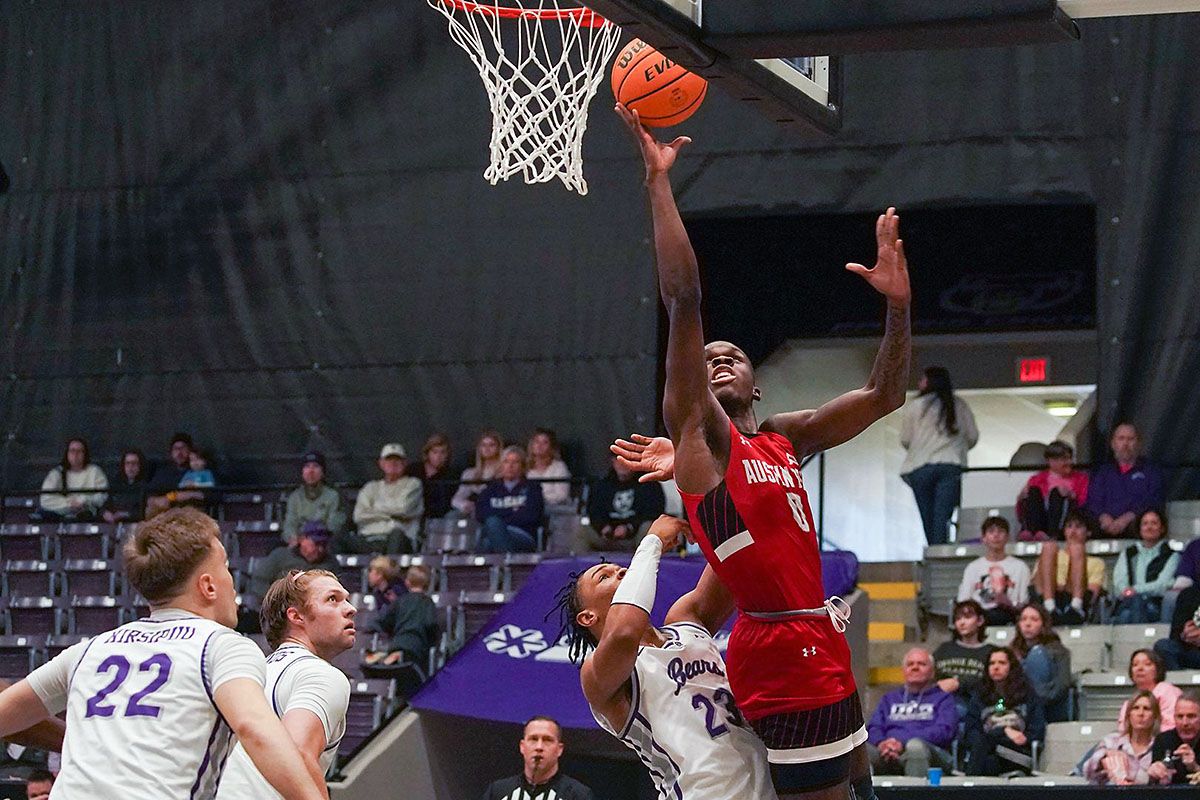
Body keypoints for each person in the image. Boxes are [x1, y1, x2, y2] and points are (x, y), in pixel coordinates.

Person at [615, 102, 911, 800]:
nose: (717, 361)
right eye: (708, 359)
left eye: (733, 355)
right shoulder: (701, 433)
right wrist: (658, 182)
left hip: (822, 638)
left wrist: (899, 308)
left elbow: (884, 395)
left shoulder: (784, 438)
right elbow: (684, 299)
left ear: (756, 378)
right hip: (778, 652)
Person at [0, 507, 328, 800]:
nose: (232, 580)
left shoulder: (90, 649)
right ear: (208, 586)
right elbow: (256, 729)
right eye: (226, 567)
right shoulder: (223, 646)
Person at [557, 514, 775, 799]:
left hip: (771, 785)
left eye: (620, 569)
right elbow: (624, 632)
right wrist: (652, 542)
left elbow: (735, 557)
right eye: (605, 577)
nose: (622, 572)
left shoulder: (686, 620)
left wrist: (708, 488)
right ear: (588, 617)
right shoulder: (597, 676)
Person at [216, 569, 355, 800]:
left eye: (346, 599)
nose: (351, 608)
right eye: (333, 599)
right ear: (296, 616)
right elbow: (298, 753)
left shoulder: (250, 672)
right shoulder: (321, 674)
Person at [899, 366, 978, 546]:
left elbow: (905, 439)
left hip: (920, 468)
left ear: (928, 382)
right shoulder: (959, 405)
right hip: (950, 465)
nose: (919, 383)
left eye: (922, 379)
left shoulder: (915, 406)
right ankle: (941, 553)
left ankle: (933, 553)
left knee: (928, 518)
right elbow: (972, 436)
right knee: (942, 516)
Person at [866, 648, 957, 778]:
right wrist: (883, 744)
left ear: (932, 672)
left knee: (915, 747)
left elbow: (944, 731)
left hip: (930, 752)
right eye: (910, 664)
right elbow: (874, 727)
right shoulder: (889, 698)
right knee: (860, 750)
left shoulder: (943, 698)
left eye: (921, 664)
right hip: (888, 751)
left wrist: (902, 742)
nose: (915, 667)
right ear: (903, 671)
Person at [963, 647, 1046, 776]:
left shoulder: (1027, 695)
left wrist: (1026, 738)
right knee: (990, 762)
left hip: (1018, 753)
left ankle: (966, 787)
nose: (996, 667)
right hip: (987, 752)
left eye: (1002, 663)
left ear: (1011, 667)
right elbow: (971, 730)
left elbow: (1038, 729)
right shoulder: (980, 696)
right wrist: (1004, 731)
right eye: (992, 663)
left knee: (984, 746)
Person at [479, 717, 594, 800]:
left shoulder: (577, 795)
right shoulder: (498, 792)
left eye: (547, 740)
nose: (539, 747)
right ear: (522, 747)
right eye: (533, 739)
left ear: (559, 749)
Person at [1086, 422, 1165, 539]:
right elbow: (1093, 500)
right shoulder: (1103, 472)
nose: (1125, 444)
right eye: (1121, 439)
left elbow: (1153, 501)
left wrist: (1128, 517)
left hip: (1135, 526)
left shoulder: (1151, 471)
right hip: (1103, 526)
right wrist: (1103, 517)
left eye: (1130, 439)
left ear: (1138, 443)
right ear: (1113, 444)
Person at [578, 452, 667, 553]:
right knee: (581, 528)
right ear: (613, 462)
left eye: (627, 460)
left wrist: (629, 527)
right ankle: (579, 566)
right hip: (608, 536)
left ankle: (644, 564)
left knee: (648, 528)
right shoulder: (601, 485)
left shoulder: (649, 485)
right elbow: (594, 511)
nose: (622, 464)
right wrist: (602, 527)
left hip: (636, 535)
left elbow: (653, 513)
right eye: (618, 460)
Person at [1031, 508, 1106, 624]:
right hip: (1047, 596)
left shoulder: (1096, 562)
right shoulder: (1049, 556)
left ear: (1088, 532)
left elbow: (1092, 592)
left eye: (1078, 526)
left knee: (1077, 549)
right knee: (1048, 547)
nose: (1073, 531)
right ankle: (1049, 606)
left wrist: (1063, 586)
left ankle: (1076, 607)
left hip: (1073, 597)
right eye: (1069, 526)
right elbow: (1036, 584)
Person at [956, 516, 1029, 625]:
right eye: (991, 532)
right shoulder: (973, 567)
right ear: (983, 538)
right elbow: (963, 600)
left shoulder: (1020, 567)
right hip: (979, 616)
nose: (996, 535)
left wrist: (1008, 603)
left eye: (1001, 531)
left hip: (1009, 615)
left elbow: (1024, 603)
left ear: (1007, 537)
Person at [365, 565, 438, 672]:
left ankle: (389, 657)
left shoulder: (400, 601)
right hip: (416, 646)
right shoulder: (428, 603)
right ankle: (395, 657)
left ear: (407, 582)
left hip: (397, 643)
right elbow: (430, 624)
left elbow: (384, 621)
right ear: (427, 584)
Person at [353, 443, 424, 554]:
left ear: (404, 463)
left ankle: (389, 570)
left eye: (397, 460)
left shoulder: (413, 484)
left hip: (399, 539)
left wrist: (375, 508)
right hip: (369, 539)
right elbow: (358, 516)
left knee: (396, 535)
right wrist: (393, 516)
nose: (393, 463)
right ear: (381, 463)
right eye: (389, 460)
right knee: (338, 539)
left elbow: (403, 508)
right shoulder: (370, 487)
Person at [1112, 509, 1179, 624]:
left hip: (1155, 605)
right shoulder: (1128, 553)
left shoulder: (1172, 555)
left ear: (1162, 528)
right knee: (1129, 609)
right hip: (1128, 602)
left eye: (1154, 523)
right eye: (1145, 523)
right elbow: (1119, 583)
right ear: (1140, 528)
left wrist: (1135, 590)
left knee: (1127, 614)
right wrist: (1129, 593)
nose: (1149, 527)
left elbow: (1162, 585)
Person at [475, 446, 544, 553]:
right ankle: (507, 565)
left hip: (523, 535)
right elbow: (480, 514)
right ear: (501, 466)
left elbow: (531, 516)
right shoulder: (490, 489)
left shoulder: (533, 488)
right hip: (495, 532)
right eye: (506, 462)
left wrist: (499, 517)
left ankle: (503, 566)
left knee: (492, 526)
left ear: (522, 466)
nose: (510, 466)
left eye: (515, 462)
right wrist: (512, 511)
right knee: (490, 532)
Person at [1016, 440, 1089, 541]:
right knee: (1033, 491)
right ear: (1051, 461)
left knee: (1056, 493)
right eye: (1064, 459)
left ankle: (1053, 534)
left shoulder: (1081, 479)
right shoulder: (1036, 480)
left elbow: (1085, 504)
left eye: (1070, 458)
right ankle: (1033, 532)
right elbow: (1020, 512)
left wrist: (1071, 495)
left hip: (1065, 524)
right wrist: (1021, 498)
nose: (1069, 462)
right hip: (1040, 523)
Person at [1082, 689, 1159, 785]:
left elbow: (1157, 780)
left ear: (1155, 716)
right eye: (1135, 708)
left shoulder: (1159, 746)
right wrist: (1105, 755)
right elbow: (1087, 772)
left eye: (1146, 709)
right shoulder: (1111, 740)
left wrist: (1127, 766)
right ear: (1128, 714)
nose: (1141, 713)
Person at [248, 521, 340, 600]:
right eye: (316, 544)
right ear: (302, 539)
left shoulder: (331, 563)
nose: (320, 549)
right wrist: (275, 601)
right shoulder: (281, 555)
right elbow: (259, 582)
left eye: (324, 545)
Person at [1011, 604, 1072, 723]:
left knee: (1036, 654)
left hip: (1049, 707)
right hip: (1018, 707)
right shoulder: (1012, 652)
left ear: (1043, 624)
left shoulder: (1058, 651)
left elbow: (1062, 685)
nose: (1027, 624)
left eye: (1034, 619)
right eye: (1023, 619)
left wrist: (1036, 699)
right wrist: (1001, 707)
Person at [934, 600, 996, 712]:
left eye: (967, 617)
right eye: (958, 619)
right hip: (943, 703)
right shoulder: (944, 649)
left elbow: (996, 687)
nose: (962, 623)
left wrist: (959, 683)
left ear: (980, 620)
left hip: (976, 706)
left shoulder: (991, 652)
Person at [283, 451, 347, 545]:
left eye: (315, 466)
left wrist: (315, 537)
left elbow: (334, 526)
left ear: (323, 472)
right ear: (302, 472)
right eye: (307, 466)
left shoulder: (333, 495)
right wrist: (295, 539)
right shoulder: (294, 497)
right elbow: (290, 525)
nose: (311, 471)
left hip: (324, 542)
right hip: (299, 543)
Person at [37, 437, 108, 521]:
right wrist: (69, 504)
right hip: (58, 516)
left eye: (79, 451)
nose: (75, 454)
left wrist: (83, 501)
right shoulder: (56, 473)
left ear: (85, 454)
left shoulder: (95, 471)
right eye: (72, 451)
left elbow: (102, 496)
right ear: (67, 453)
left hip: (86, 515)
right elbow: (45, 499)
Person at [1117, 649, 1181, 734]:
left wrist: (1144, 734)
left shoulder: (1167, 691)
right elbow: (1123, 729)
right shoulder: (1128, 703)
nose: (1140, 668)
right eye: (1135, 665)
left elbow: (1173, 725)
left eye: (1147, 664)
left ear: (1158, 670)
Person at [1147, 690, 1200, 785]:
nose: (1185, 723)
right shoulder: (1163, 740)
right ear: (1174, 718)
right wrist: (1154, 775)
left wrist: (1195, 768)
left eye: (1191, 716)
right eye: (1180, 716)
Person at [451, 430, 504, 517]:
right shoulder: (470, 473)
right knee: (452, 516)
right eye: (483, 445)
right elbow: (456, 499)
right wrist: (464, 505)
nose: (487, 448)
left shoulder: (505, 472)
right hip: (473, 513)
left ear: (498, 448)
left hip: (496, 513)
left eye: (491, 445)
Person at [144, 432, 195, 518]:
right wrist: (158, 501)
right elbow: (150, 496)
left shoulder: (199, 472)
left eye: (183, 448)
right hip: (167, 516)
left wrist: (177, 496)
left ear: (190, 451)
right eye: (176, 449)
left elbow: (208, 495)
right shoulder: (164, 473)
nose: (179, 452)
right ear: (171, 452)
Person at [407, 433, 455, 519]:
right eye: (435, 452)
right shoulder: (413, 470)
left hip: (436, 518)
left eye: (443, 452)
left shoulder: (450, 475)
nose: (438, 456)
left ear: (447, 454)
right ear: (428, 453)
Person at [1154, 584, 1200, 670]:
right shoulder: (1189, 594)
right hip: (1192, 650)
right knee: (1163, 646)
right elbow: (1175, 633)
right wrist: (1185, 635)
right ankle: (1179, 681)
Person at [526, 428, 573, 511]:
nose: (539, 445)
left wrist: (537, 499)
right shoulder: (525, 468)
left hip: (556, 513)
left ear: (551, 447)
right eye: (537, 442)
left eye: (545, 442)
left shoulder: (559, 467)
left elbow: (562, 496)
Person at [103, 448, 148, 524]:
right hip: (114, 525)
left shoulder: (147, 485)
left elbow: (146, 511)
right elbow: (106, 504)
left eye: (134, 463)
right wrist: (105, 513)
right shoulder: (116, 484)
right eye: (127, 463)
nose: (130, 467)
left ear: (140, 465)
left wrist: (126, 514)